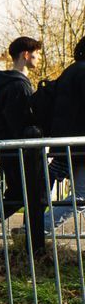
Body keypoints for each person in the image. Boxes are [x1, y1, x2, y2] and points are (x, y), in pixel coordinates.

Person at [0, 35, 51, 253]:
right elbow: (19, 121)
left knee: (18, 194)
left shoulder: (4, 84)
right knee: (26, 194)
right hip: (18, 150)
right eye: (37, 54)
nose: (39, 58)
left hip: (8, 148)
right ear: (26, 55)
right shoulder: (18, 86)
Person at [44, 37, 85, 233]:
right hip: (79, 147)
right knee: (82, 197)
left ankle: (35, 227)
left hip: (68, 145)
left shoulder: (70, 71)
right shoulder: (82, 73)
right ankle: (38, 228)